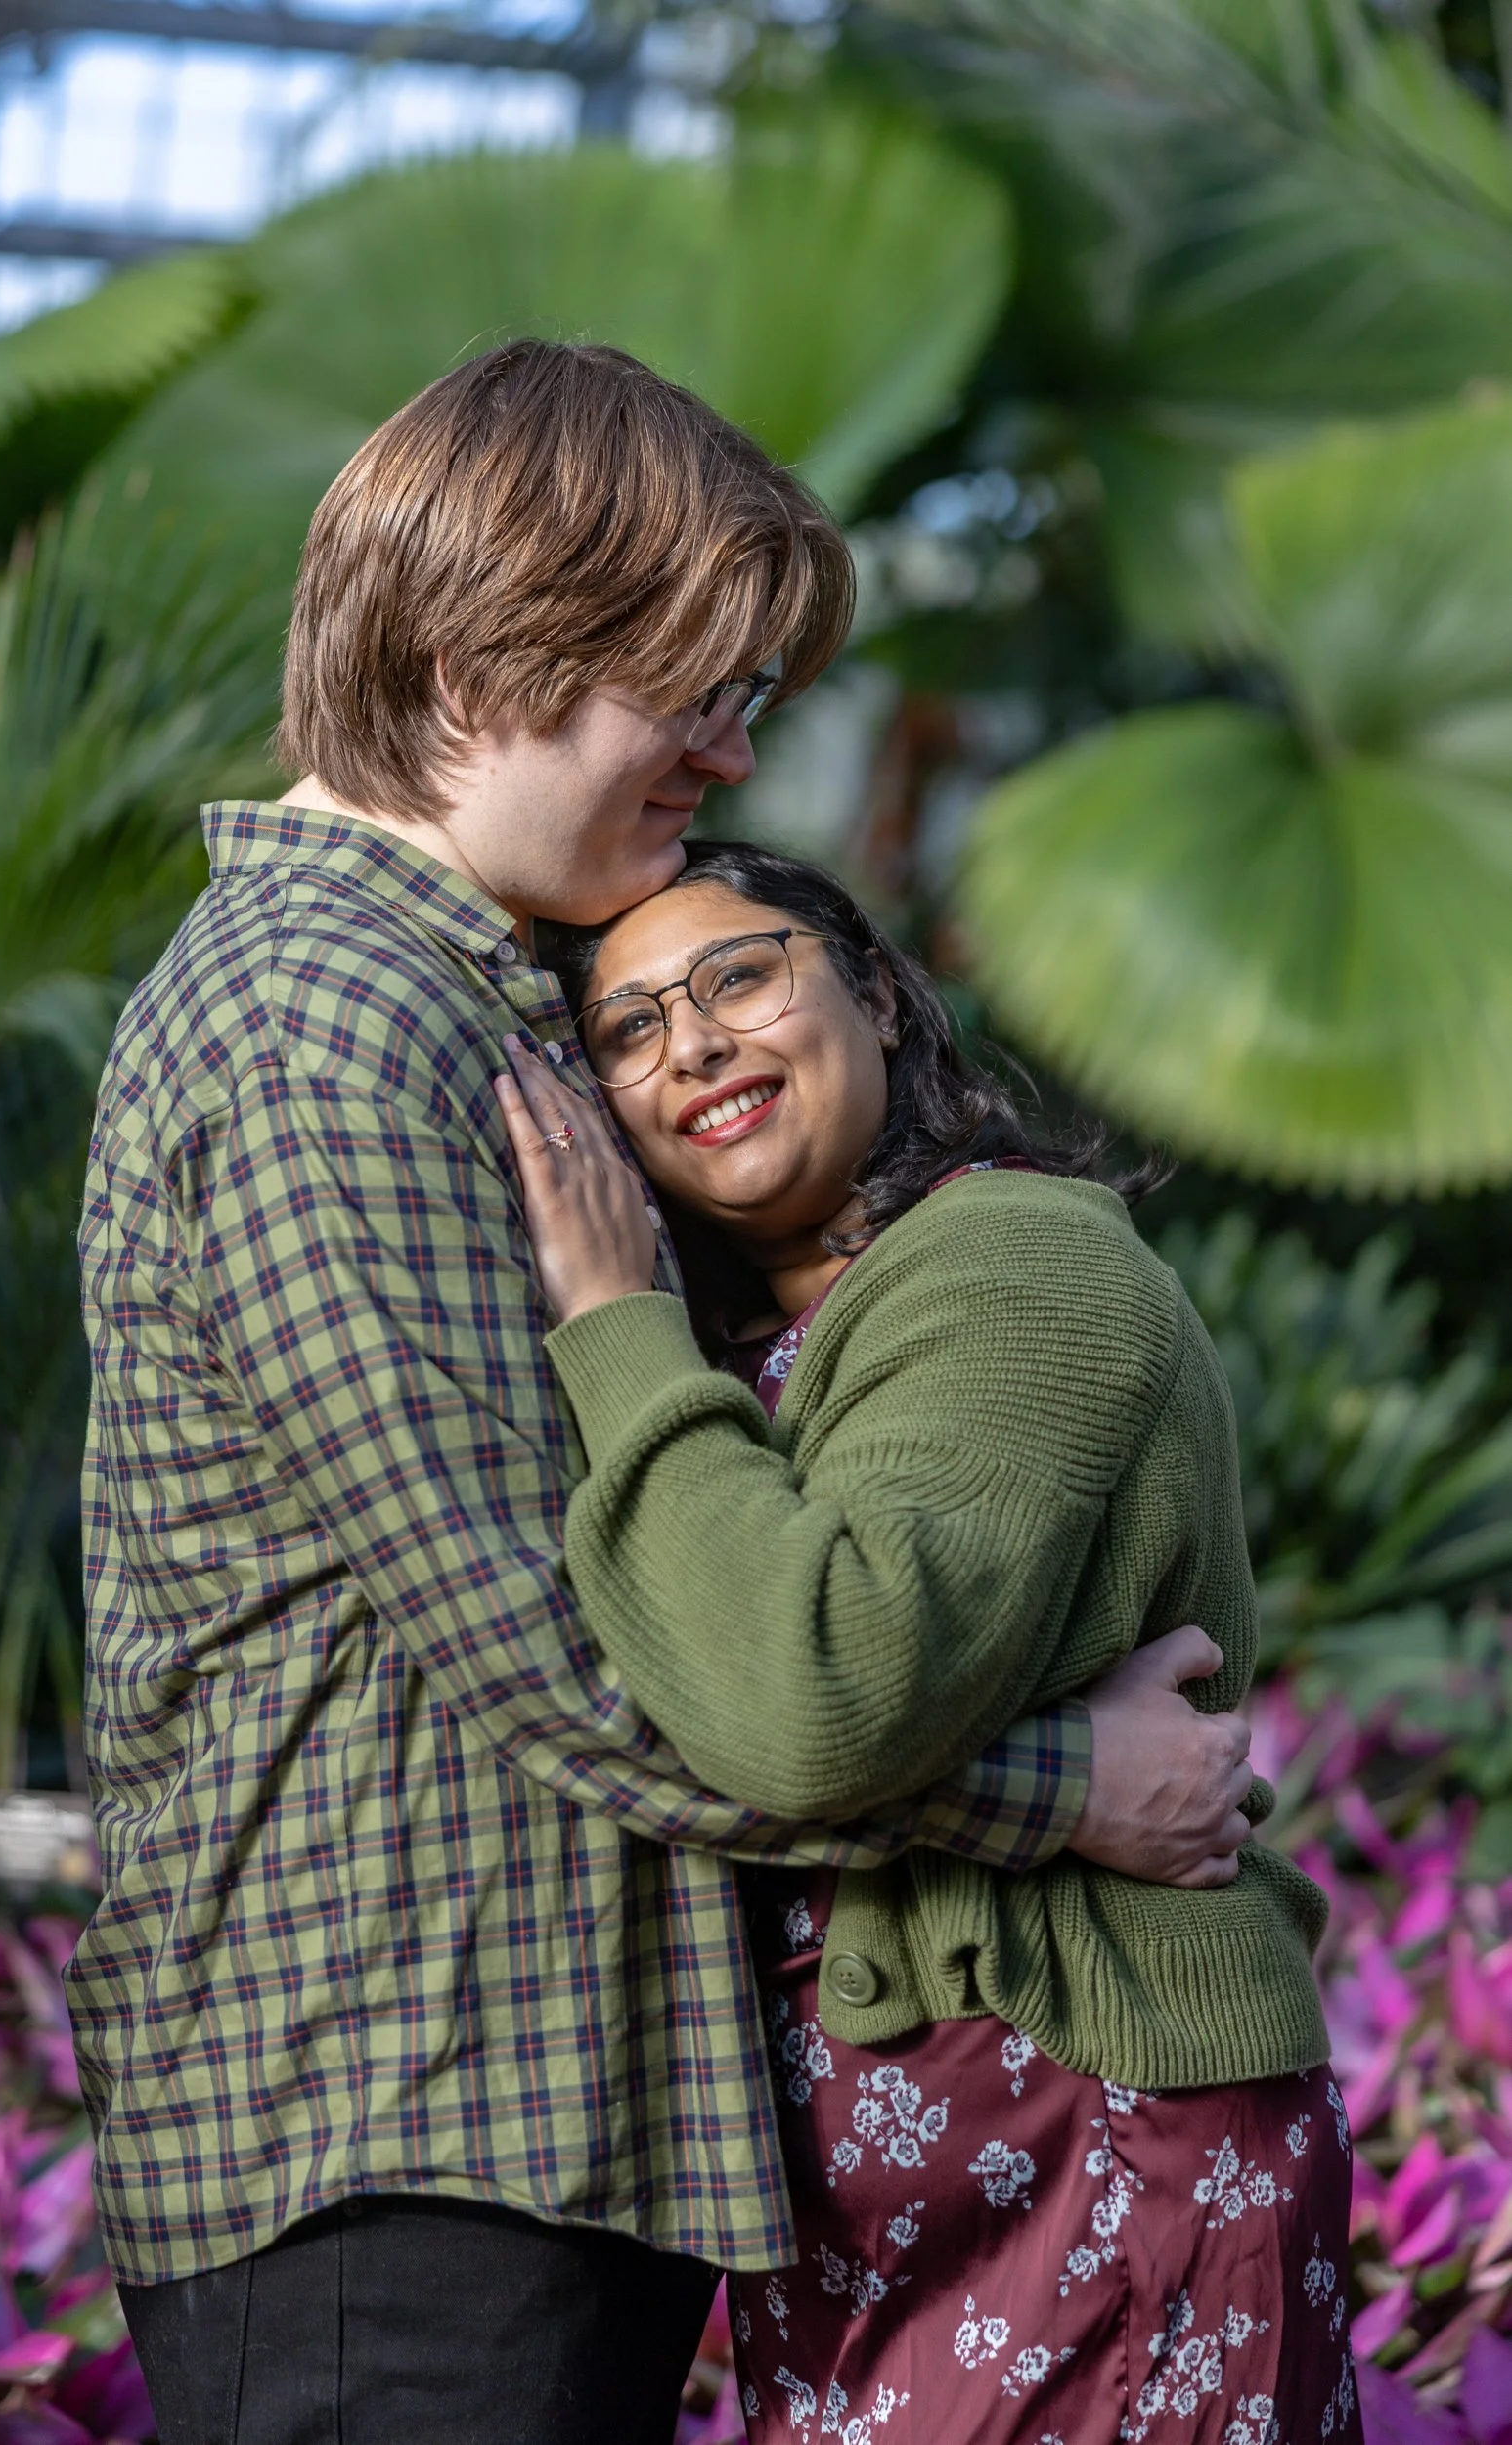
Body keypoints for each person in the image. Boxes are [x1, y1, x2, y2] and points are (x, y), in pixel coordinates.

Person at [69, 340, 1260, 2445]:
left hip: (496, 2122)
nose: (724, 750)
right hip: (392, 2137)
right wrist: (1058, 1791)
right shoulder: (318, 1023)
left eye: (744, 694)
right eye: (686, 689)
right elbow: (558, 1650)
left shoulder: (469, 997)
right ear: (470, 672)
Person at [496, 835, 1357, 2445]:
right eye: (624, 1029)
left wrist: (609, 1321)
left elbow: (812, 1687)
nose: (688, 1042)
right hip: (888, 2212)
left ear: (879, 998)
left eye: (737, 974)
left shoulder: (1013, 1260)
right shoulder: (769, 1346)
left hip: (1094, 2127)